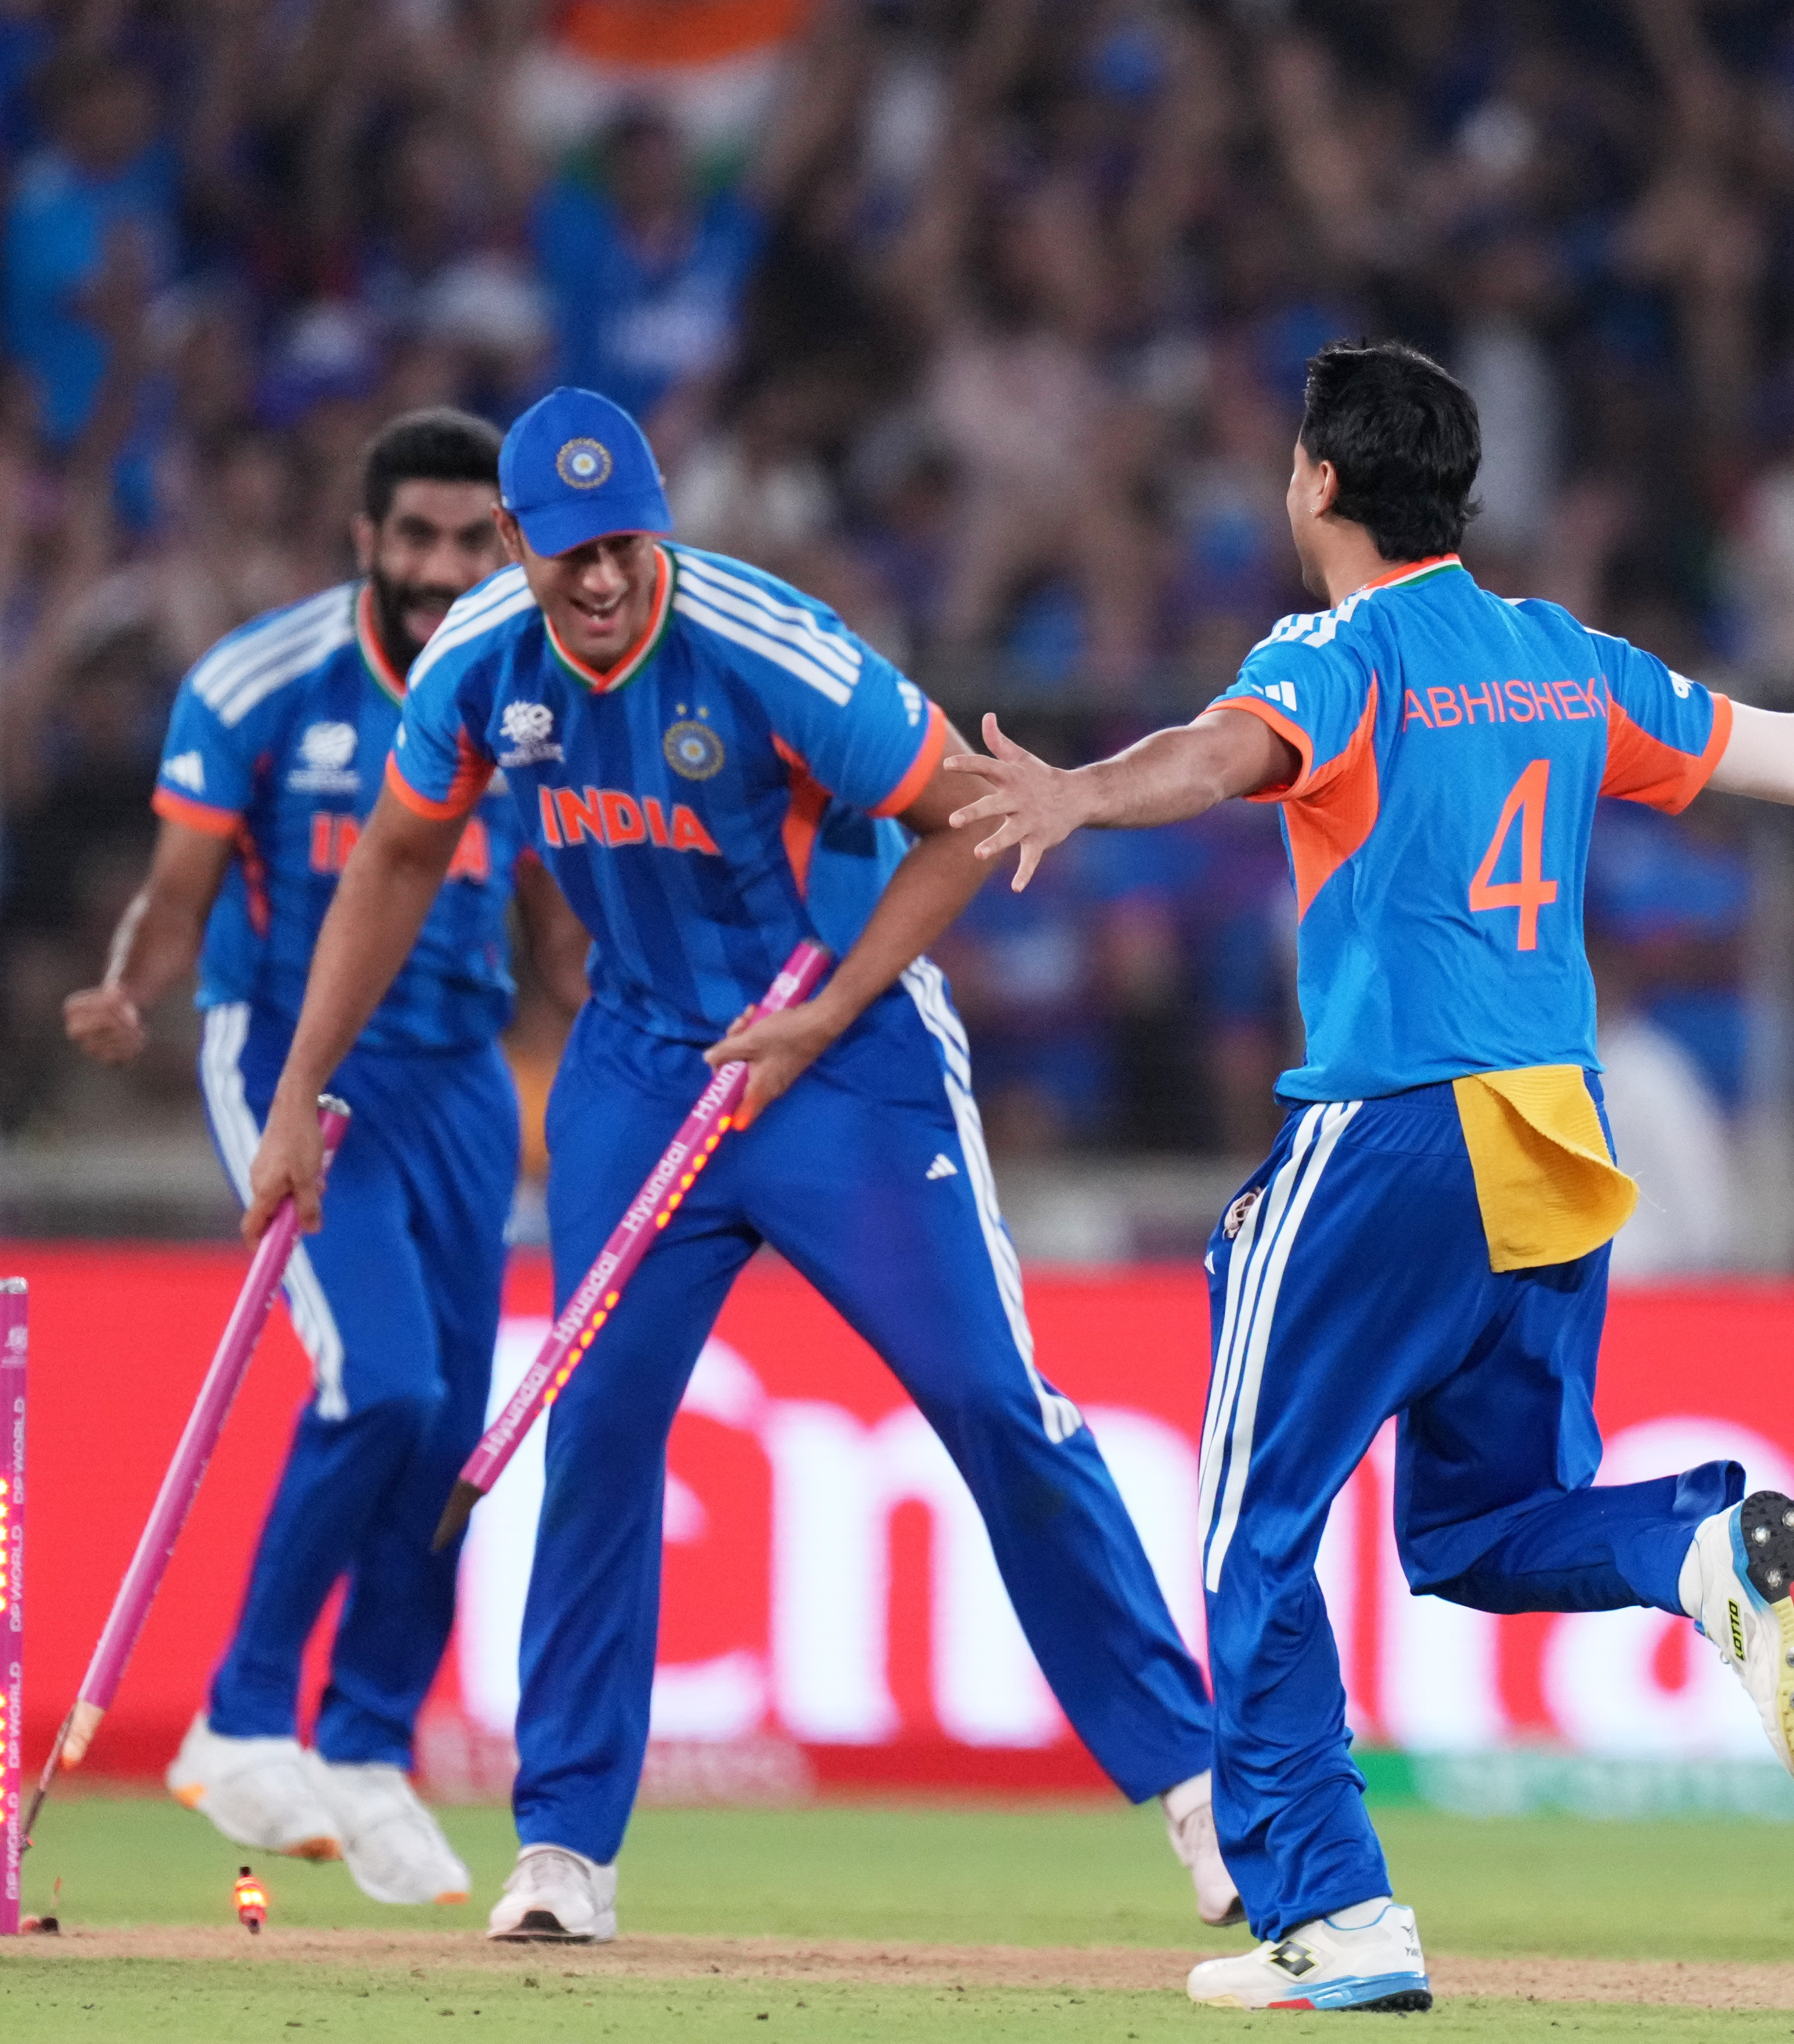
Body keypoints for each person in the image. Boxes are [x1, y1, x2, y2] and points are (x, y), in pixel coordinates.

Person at [943, 340, 1794, 2012]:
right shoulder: (1557, 657)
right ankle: (1698, 1551)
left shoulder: (1338, 647)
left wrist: (1080, 791)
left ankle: (1333, 1913)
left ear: (1316, 482)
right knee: (1474, 1525)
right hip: (1550, 1132)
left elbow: (1226, 752)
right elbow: (1773, 751)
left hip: (1388, 1125)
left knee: (1253, 1530)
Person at [242, 386, 1232, 1945]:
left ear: (661, 526)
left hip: (847, 1058)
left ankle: (1195, 1783)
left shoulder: (773, 652)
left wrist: (831, 1005)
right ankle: (564, 1847)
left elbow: (965, 819)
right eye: (567, 553)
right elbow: (396, 857)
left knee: (992, 1402)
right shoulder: (476, 664)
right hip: (642, 1069)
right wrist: (299, 1088)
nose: (603, 579)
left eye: (627, 544)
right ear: (516, 543)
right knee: (602, 1433)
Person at [64, 408, 581, 1904]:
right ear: (364, 540)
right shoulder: (259, 679)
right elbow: (174, 892)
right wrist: (129, 988)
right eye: (412, 539)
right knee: (382, 1379)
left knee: (455, 1434)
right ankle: (237, 1718)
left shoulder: (537, 684)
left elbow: (555, 905)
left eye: (471, 540)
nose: (439, 568)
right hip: (294, 1059)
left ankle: (364, 1745)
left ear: (509, 545)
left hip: (466, 1076)